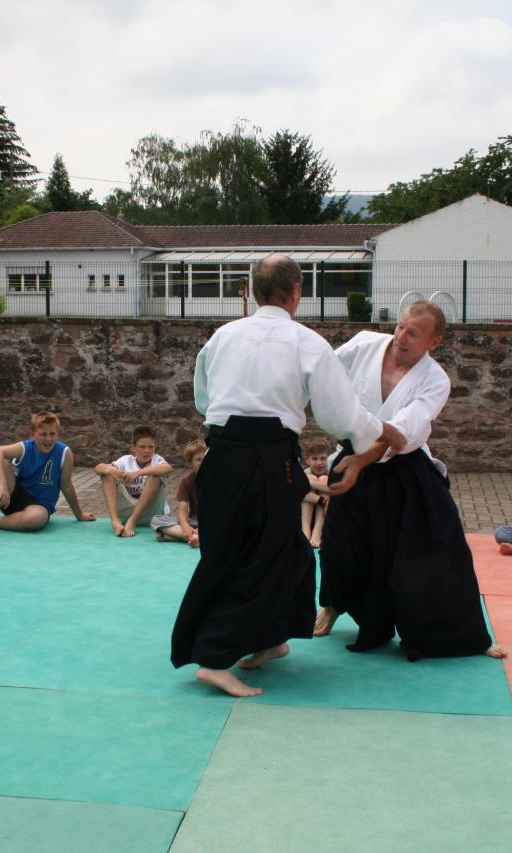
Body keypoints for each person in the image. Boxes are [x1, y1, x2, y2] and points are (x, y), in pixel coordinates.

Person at [170, 254, 407, 698]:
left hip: (220, 453)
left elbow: (204, 400)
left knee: (287, 551)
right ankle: (215, 658)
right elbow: (339, 416)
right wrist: (381, 434)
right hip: (266, 457)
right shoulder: (307, 343)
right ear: (296, 292)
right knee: (259, 555)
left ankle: (268, 636)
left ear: (254, 291)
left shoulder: (222, 336)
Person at [315, 302, 504, 661]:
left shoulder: (436, 381)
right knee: (340, 547)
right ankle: (334, 605)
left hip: (405, 471)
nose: (401, 337)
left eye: (413, 332)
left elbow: (403, 433)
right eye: (400, 327)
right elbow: (322, 374)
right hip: (353, 456)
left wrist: (361, 455)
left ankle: (462, 636)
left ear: (434, 342)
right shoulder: (365, 345)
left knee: (433, 553)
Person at [0, 411, 95, 537]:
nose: (48, 439)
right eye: (43, 434)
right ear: (33, 435)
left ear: (57, 435)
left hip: (38, 507)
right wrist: (2, 485)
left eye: (52, 434)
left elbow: (66, 486)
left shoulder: (65, 454)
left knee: (38, 518)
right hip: (12, 498)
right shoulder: (25, 447)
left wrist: (80, 515)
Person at [94, 425, 172, 537]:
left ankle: (132, 521)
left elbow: (168, 468)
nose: (147, 450)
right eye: (142, 447)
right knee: (107, 475)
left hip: (152, 515)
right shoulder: (125, 461)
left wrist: (138, 473)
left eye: (151, 447)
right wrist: (110, 469)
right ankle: (115, 521)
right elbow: (98, 468)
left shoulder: (157, 459)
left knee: (157, 474)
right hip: (127, 513)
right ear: (133, 448)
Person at [152, 439, 206, 547]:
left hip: (214, 520)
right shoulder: (187, 482)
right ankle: (197, 537)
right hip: (194, 520)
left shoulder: (218, 480)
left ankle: (188, 537)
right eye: (198, 459)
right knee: (157, 520)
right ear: (190, 464)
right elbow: (182, 511)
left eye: (206, 458)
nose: (203, 462)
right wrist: (185, 525)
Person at [300, 438, 333, 548]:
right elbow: (297, 491)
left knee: (324, 479)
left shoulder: (332, 472)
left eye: (323, 458)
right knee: (311, 477)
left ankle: (317, 532)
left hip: (326, 513)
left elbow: (334, 489)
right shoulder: (305, 473)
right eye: (314, 458)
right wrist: (320, 500)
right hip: (311, 509)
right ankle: (306, 531)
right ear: (307, 461)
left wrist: (308, 484)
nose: (319, 463)